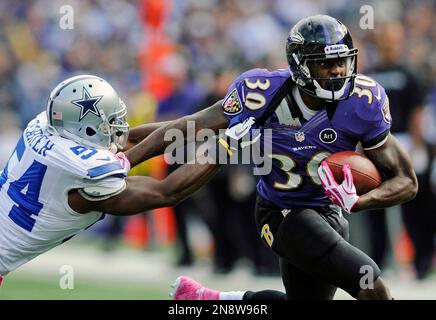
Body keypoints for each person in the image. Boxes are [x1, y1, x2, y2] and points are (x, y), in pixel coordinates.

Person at [126, 15, 418, 300]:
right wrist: (127, 154)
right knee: (369, 282)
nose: (337, 71)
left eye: (342, 61)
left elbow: (407, 182)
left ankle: (213, 299)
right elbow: (187, 127)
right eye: (325, 63)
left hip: (328, 213)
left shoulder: (363, 101)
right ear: (300, 65)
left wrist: (360, 201)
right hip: (280, 213)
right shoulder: (262, 92)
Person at [0, 74, 219, 285]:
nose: (119, 126)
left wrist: (223, 112)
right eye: (111, 121)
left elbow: (131, 139)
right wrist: (226, 146)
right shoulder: (87, 174)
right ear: (85, 128)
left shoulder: (46, 128)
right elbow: (166, 192)